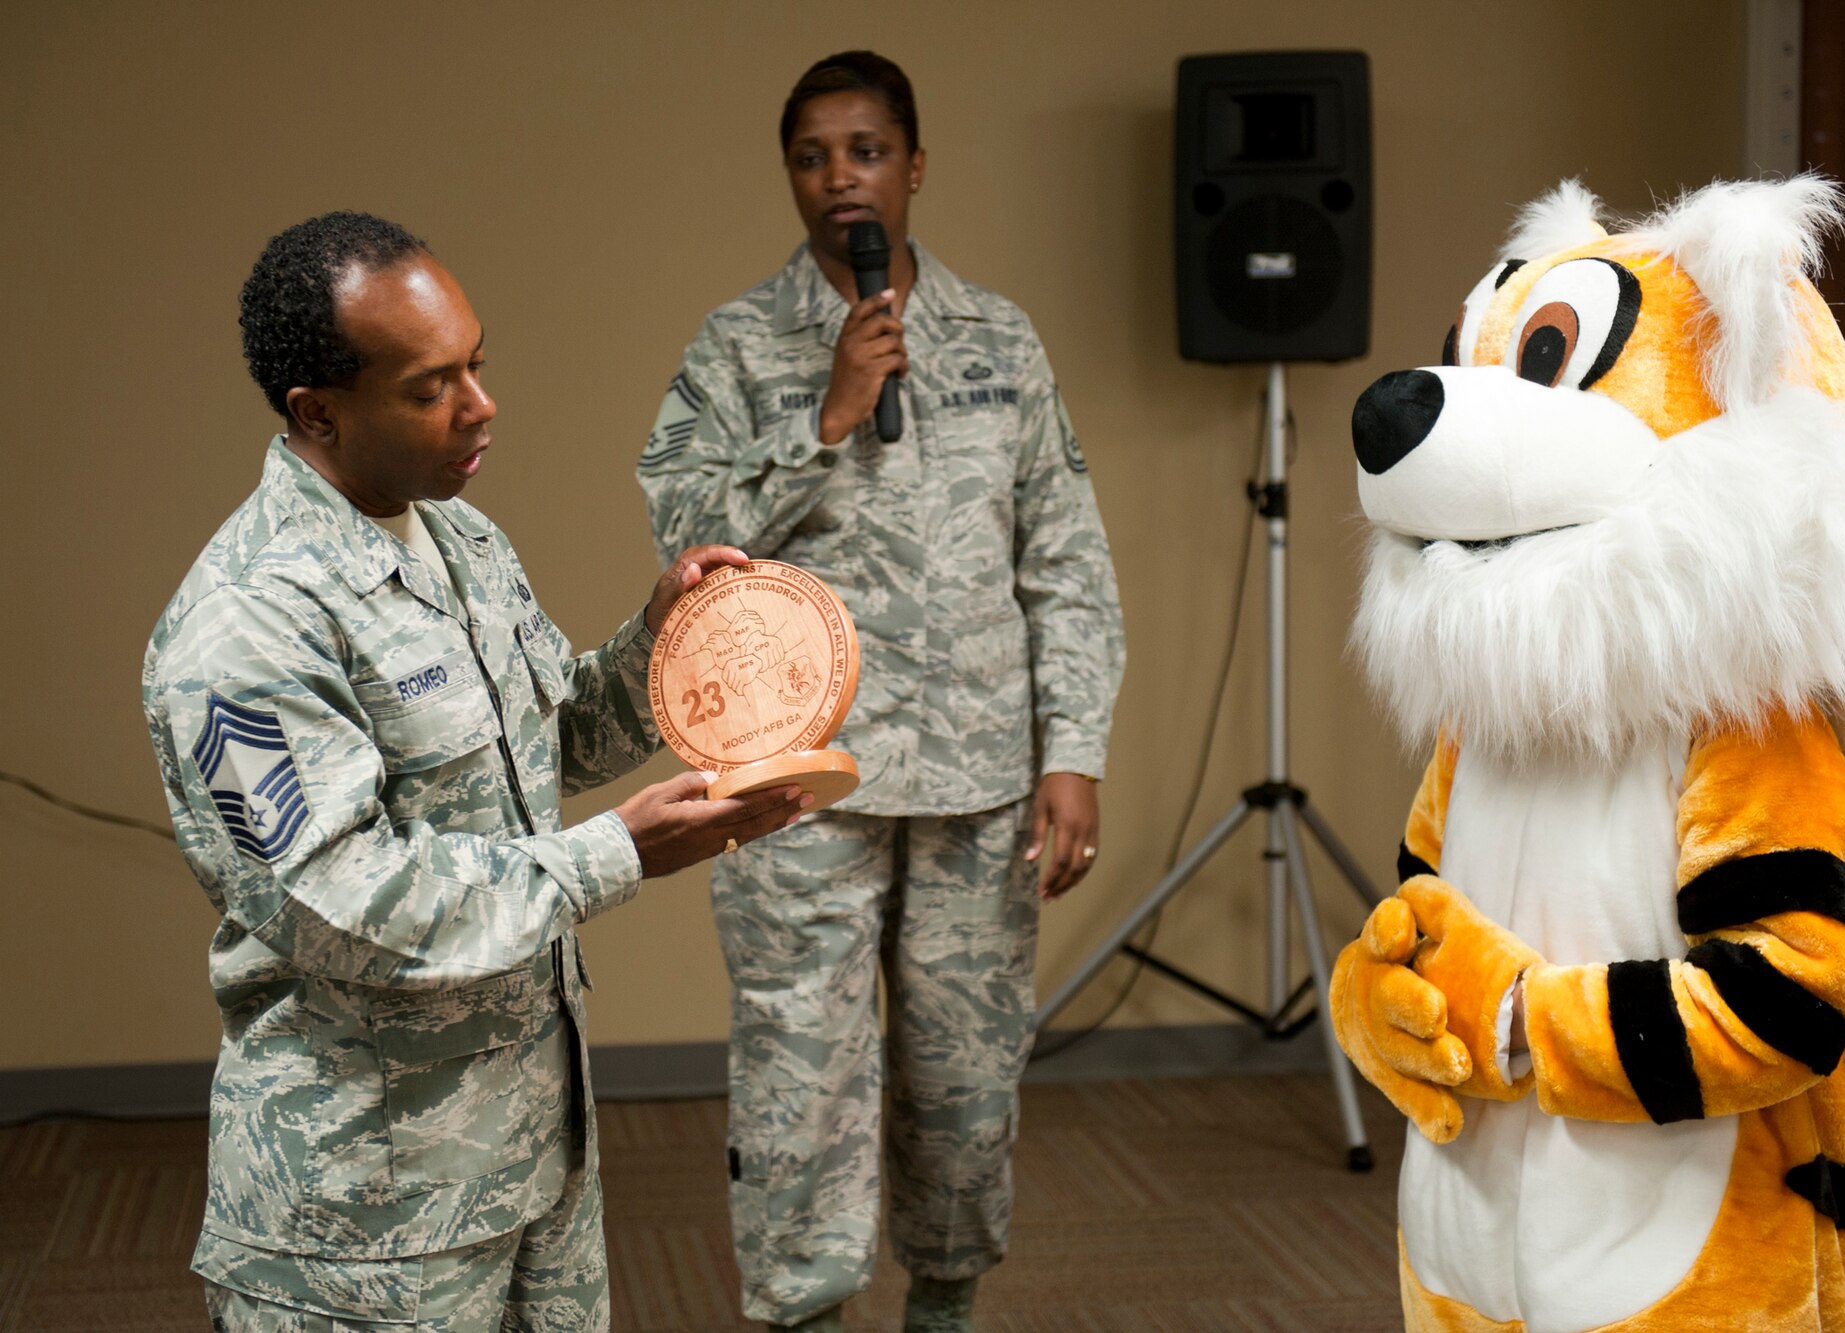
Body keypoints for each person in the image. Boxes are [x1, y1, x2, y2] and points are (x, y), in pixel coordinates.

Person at [143, 211, 808, 1332]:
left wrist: (660, 643)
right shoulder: (245, 625)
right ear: (317, 412)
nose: (480, 404)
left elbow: (549, 743)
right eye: (429, 384)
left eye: (477, 364)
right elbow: (337, 900)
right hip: (369, 1210)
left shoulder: (459, 541)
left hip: (532, 1152)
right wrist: (618, 855)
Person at [635, 51, 1126, 1333]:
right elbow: (683, 538)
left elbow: (1063, 555)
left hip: (974, 780)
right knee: (804, 1079)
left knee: (963, 1076)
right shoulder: (739, 346)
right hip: (795, 783)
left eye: (863, 150)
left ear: (913, 166)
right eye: (810, 155)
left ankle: (947, 1304)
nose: (837, 177)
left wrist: (1070, 749)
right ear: (789, 176)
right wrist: (827, 415)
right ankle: (804, 1309)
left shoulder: (998, 338)